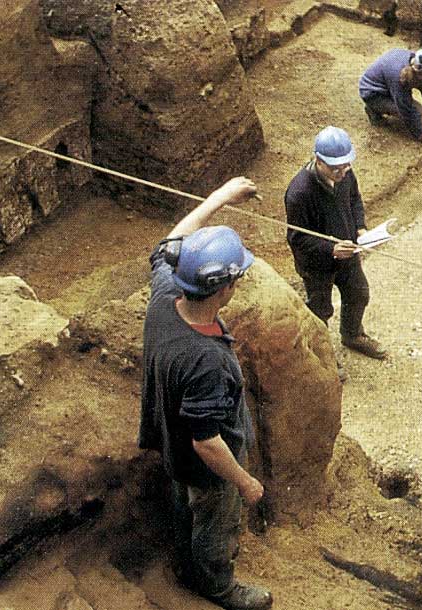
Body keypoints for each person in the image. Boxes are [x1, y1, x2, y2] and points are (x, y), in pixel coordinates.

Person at [139, 176, 273, 610]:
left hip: (169, 437)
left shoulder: (165, 295)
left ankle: (184, 560)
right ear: (224, 288)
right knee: (215, 519)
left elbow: (171, 241)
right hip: (208, 465)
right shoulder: (207, 362)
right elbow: (208, 443)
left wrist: (221, 198)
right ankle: (216, 586)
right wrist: (246, 482)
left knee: (184, 504)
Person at [284, 126, 387, 361]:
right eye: (335, 168)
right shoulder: (299, 193)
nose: (342, 172)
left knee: (359, 294)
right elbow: (297, 239)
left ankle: (352, 335)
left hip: (348, 254)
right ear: (318, 161)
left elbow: (355, 200)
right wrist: (330, 249)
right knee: (320, 310)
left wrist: (360, 226)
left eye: (346, 165)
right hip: (317, 265)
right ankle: (323, 356)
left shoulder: (346, 175)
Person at [359, 46, 422, 144]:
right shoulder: (399, 77)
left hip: (390, 83)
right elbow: (405, 108)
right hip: (373, 94)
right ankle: (373, 110)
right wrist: (420, 133)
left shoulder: (418, 62)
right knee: (418, 111)